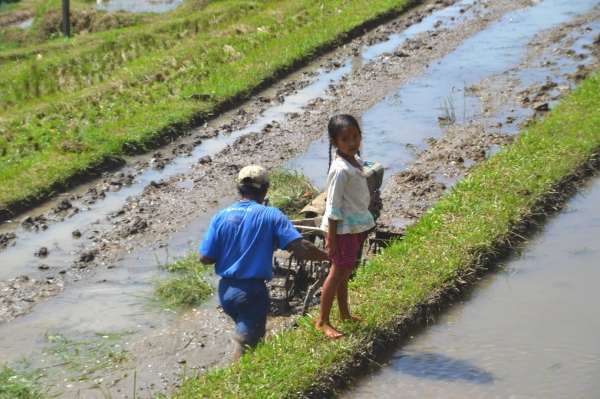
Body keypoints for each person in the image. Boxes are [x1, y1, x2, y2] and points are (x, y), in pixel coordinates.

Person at [199, 165, 329, 361]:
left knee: (253, 335)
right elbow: (302, 248)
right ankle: (238, 380)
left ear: (240, 188)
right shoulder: (271, 214)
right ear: (266, 189)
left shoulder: (221, 216)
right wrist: (328, 256)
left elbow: (205, 258)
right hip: (251, 294)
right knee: (245, 346)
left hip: (226, 292)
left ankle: (255, 367)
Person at [315, 114, 375, 339]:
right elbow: (333, 205)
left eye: (355, 136)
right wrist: (330, 237)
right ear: (334, 143)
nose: (352, 143)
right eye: (345, 139)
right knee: (337, 272)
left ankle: (344, 314)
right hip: (341, 229)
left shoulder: (355, 162)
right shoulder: (340, 169)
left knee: (345, 271)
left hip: (354, 227)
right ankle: (322, 321)